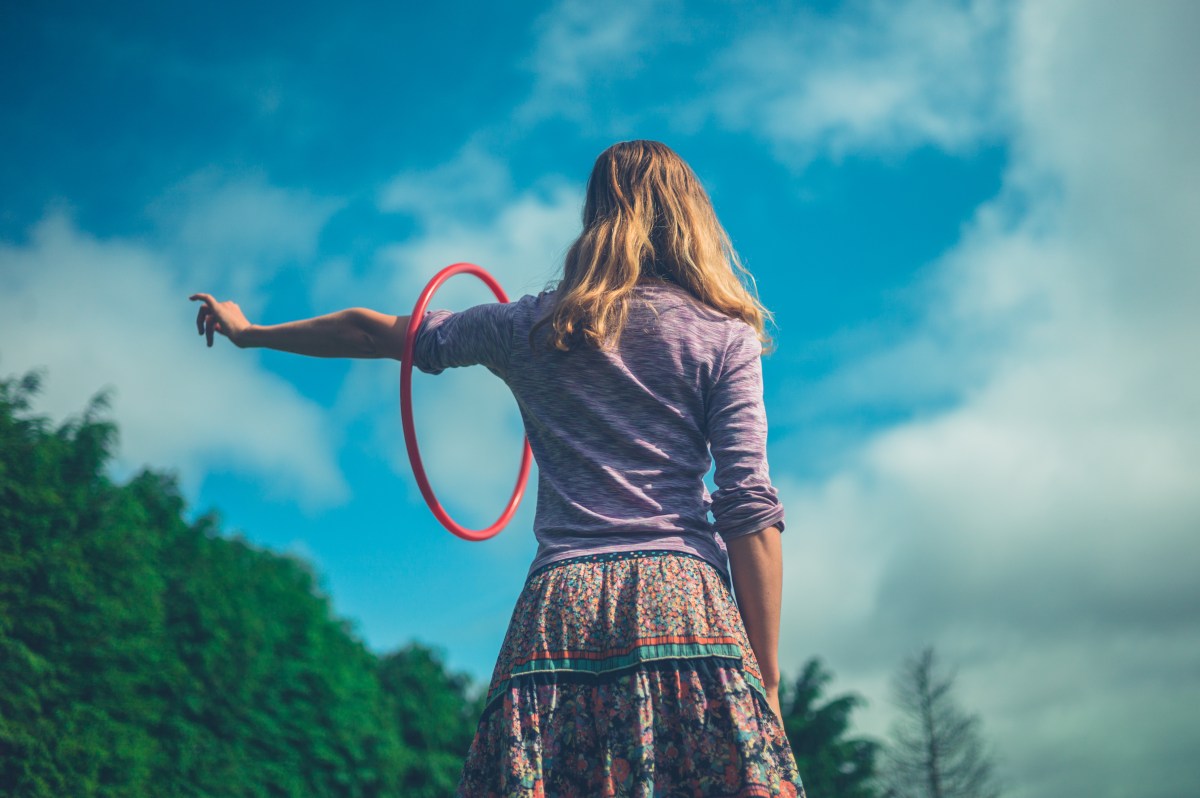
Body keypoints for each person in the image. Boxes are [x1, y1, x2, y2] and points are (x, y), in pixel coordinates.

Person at [192, 140, 804, 798]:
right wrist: (764, 676)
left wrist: (249, 331)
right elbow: (747, 507)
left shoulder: (527, 326)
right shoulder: (723, 334)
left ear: (597, 214)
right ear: (690, 215)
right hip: (683, 602)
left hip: (557, 609)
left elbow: (372, 333)